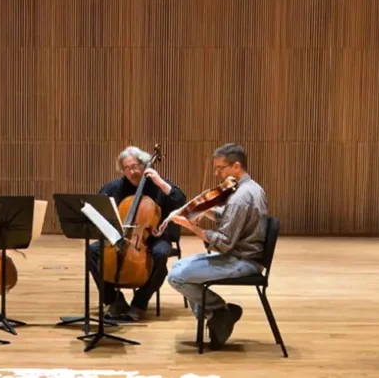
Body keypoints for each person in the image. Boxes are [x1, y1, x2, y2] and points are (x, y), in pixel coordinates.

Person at [164, 143, 269, 350]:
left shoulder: (241, 197)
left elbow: (224, 243)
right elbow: (230, 217)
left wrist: (191, 226)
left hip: (243, 260)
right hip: (242, 255)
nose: (216, 173)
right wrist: (205, 209)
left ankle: (220, 312)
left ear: (236, 166)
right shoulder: (252, 188)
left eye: (221, 168)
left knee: (176, 277)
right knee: (177, 268)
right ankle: (217, 318)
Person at [85, 146, 187, 322]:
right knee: (93, 251)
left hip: (154, 237)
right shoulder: (113, 187)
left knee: (161, 254)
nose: (132, 171)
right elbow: (99, 209)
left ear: (144, 166)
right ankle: (113, 301)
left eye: (135, 166)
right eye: (127, 168)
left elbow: (181, 202)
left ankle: (140, 302)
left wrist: (161, 183)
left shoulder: (157, 184)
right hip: (119, 236)